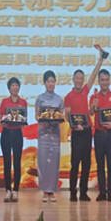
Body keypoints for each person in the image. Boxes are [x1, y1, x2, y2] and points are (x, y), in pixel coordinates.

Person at [64, 46, 105, 202]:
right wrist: (75, 126)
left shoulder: (86, 91)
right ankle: (72, 193)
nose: (79, 81)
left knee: (86, 164)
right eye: (77, 78)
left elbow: (94, 75)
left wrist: (100, 60)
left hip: (87, 132)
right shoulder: (68, 96)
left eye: (81, 78)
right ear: (73, 79)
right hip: (76, 133)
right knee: (75, 164)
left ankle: (83, 192)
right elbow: (67, 116)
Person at [89, 69, 111, 202]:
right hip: (99, 134)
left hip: (110, 134)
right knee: (100, 165)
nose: (104, 82)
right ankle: (102, 192)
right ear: (99, 81)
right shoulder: (94, 97)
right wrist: (93, 106)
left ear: (109, 81)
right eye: (102, 80)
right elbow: (91, 113)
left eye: (106, 80)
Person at [35, 70, 63, 203]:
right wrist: (44, 118)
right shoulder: (40, 98)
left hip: (55, 134)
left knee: (54, 162)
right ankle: (44, 191)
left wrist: (56, 118)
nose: (51, 84)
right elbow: (37, 116)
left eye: (53, 81)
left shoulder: (59, 99)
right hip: (43, 134)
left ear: (55, 82)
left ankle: (52, 191)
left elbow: (61, 116)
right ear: (44, 83)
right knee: (43, 162)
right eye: (48, 81)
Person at [0, 77, 26, 202]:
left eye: (16, 85)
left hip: (18, 133)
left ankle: (16, 190)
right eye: (12, 85)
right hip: (6, 133)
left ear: (19, 87)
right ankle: (8, 190)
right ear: (9, 88)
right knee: (7, 162)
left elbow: (24, 119)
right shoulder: (4, 102)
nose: (15, 87)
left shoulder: (23, 102)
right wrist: (1, 121)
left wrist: (22, 122)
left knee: (17, 162)